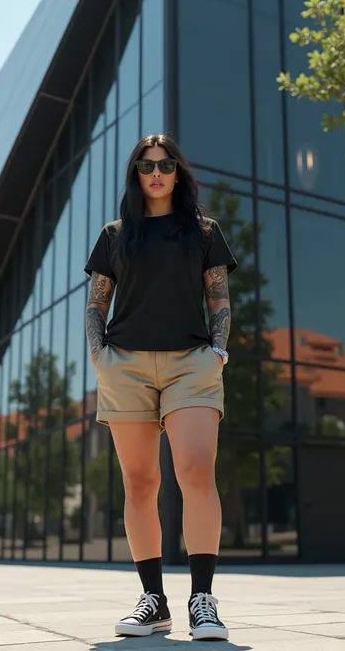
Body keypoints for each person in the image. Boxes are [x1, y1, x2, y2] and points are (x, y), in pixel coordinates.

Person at [84, 133, 237, 641]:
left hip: (191, 363)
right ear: (136, 173)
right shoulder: (115, 235)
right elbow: (95, 304)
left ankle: (202, 600)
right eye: (147, 165)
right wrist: (98, 356)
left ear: (178, 172)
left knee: (195, 471)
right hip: (124, 366)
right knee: (140, 483)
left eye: (166, 164)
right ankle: (154, 600)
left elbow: (219, 300)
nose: (156, 172)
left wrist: (218, 351)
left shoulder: (203, 231)